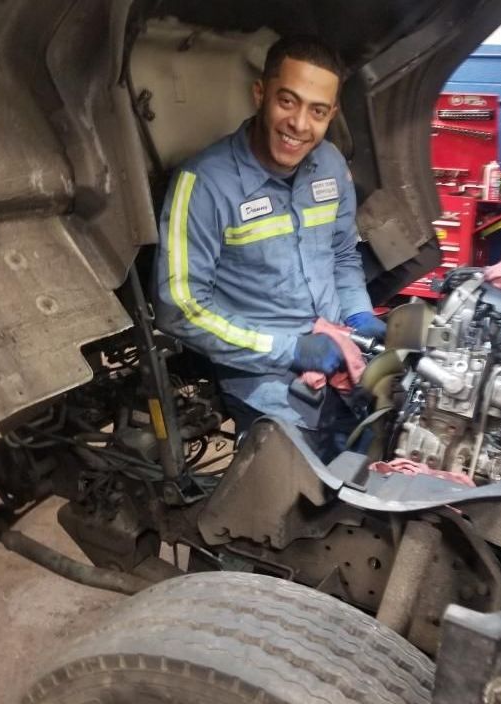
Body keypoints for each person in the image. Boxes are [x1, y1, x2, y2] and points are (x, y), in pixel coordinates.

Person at [154, 35, 385, 461]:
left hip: (343, 365)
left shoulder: (331, 164)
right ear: (260, 94)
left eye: (317, 111)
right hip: (266, 386)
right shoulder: (203, 184)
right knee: (307, 491)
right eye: (287, 102)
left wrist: (358, 313)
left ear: (331, 114)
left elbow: (342, 254)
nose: (299, 124)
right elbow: (179, 308)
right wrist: (290, 350)